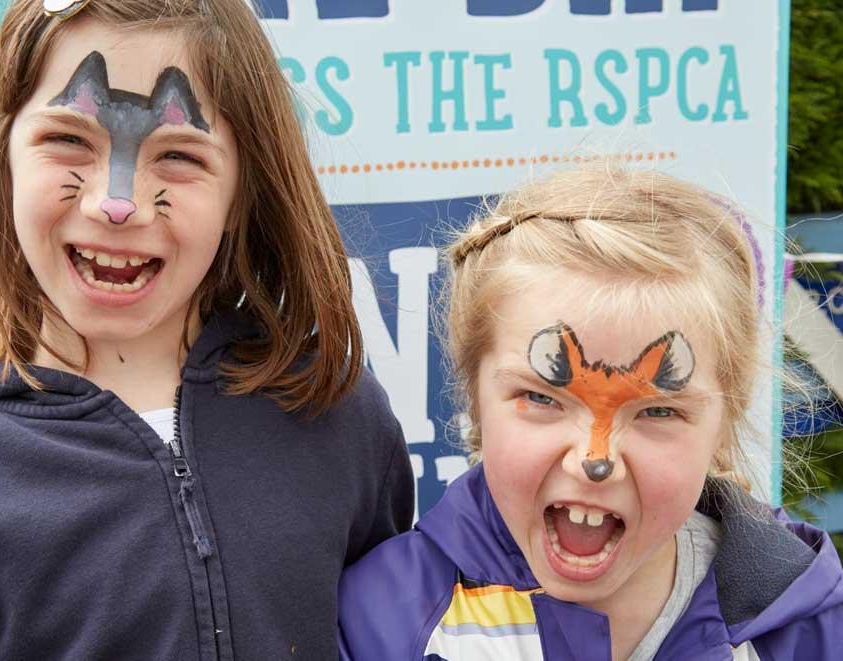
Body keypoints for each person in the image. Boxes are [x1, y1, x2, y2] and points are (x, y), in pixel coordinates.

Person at [0, 0, 414, 658]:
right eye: (68, 141)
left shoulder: (339, 418)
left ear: (243, 193)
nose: (116, 203)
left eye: (177, 155)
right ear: (1, 156)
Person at [338, 167, 843, 660]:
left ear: (724, 424)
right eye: (542, 399)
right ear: (474, 398)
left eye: (658, 412)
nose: (593, 460)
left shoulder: (802, 626)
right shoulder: (382, 624)